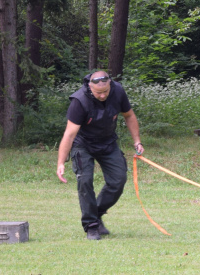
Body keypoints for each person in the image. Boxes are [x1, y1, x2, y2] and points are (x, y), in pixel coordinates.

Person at [56, 70, 145, 240]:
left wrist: (137, 141)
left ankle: (96, 213)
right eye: (99, 93)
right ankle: (91, 225)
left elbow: (129, 115)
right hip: (83, 144)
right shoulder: (79, 101)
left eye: (105, 91)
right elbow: (69, 135)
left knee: (118, 179)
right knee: (85, 181)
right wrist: (61, 162)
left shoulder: (118, 91)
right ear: (90, 87)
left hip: (107, 142)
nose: (103, 95)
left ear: (110, 85)